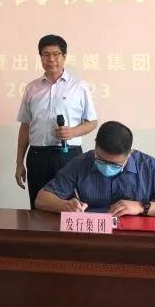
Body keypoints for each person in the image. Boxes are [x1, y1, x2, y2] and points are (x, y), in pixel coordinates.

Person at [35, 120, 155, 217]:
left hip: (137, 238)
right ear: (95, 146)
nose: (107, 167)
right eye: (101, 160)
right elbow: (41, 199)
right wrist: (64, 206)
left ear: (129, 154)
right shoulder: (81, 163)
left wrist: (142, 206)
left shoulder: (148, 166)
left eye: (115, 164)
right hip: (94, 236)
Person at [15, 34, 97, 209]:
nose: (51, 59)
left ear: (64, 56)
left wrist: (73, 132)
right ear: (40, 58)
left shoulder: (79, 86)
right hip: (37, 156)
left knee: (70, 208)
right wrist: (19, 163)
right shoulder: (32, 88)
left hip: (69, 156)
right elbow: (25, 126)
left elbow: (92, 122)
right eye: (46, 55)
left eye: (56, 54)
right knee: (38, 207)